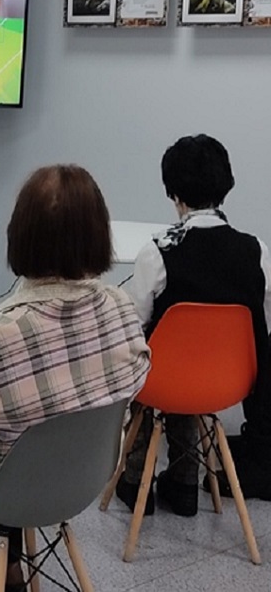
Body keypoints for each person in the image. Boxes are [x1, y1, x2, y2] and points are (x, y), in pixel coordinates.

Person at [0, 165, 150, 592]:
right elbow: (136, 379)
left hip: (1, 487)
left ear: (19, 235)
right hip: (84, 478)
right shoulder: (123, 310)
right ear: (99, 234)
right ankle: (6, 564)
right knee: (18, 423)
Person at [119, 135, 271, 511]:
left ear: (173, 193)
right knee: (184, 360)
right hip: (231, 384)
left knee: (142, 356)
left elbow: (135, 327)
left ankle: (136, 479)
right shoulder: (257, 251)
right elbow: (262, 321)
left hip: (164, 382)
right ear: (226, 186)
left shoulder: (157, 252)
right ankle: (185, 482)